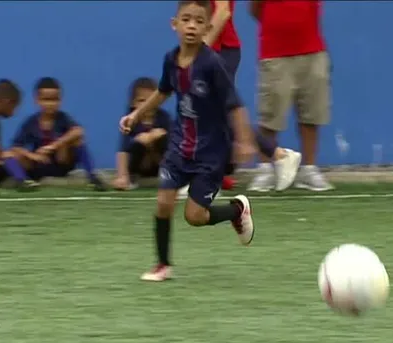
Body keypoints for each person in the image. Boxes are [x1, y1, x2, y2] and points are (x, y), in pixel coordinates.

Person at [119, 0, 257, 282]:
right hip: (179, 147)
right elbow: (162, 91)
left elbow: (235, 105)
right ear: (175, 24)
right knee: (163, 203)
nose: (192, 26)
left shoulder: (212, 64)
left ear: (207, 27)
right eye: (186, 20)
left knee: (194, 216)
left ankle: (236, 210)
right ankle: (162, 264)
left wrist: (243, 141)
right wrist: (136, 115)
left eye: (198, 21)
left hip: (211, 153)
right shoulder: (171, 59)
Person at [201, 0, 302, 193]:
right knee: (213, 113)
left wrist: (201, 48)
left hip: (220, 49)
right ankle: (278, 155)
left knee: (220, 110)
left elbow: (223, 11)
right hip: (215, 48)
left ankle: (279, 155)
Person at [248, 0, 334, 192]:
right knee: (270, 116)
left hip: (313, 52)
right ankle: (265, 169)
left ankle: (309, 170)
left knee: (311, 114)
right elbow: (255, 9)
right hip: (274, 52)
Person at [8, 77, 106, 190]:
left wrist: (53, 146)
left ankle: (93, 177)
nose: (50, 104)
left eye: (55, 100)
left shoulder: (63, 118)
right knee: (9, 155)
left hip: (61, 163)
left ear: (60, 100)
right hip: (39, 165)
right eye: (46, 100)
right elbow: (15, 147)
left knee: (77, 139)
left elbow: (79, 131)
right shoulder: (31, 122)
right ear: (37, 100)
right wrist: (33, 156)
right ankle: (22, 181)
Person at [113, 77, 172, 191]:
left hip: (158, 164)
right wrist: (122, 176)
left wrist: (155, 135)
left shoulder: (163, 117)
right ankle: (131, 178)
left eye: (151, 101)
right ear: (132, 103)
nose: (147, 106)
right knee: (138, 143)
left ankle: (171, 176)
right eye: (142, 101)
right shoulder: (130, 121)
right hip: (140, 166)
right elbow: (123, 150)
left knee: (164, 139)